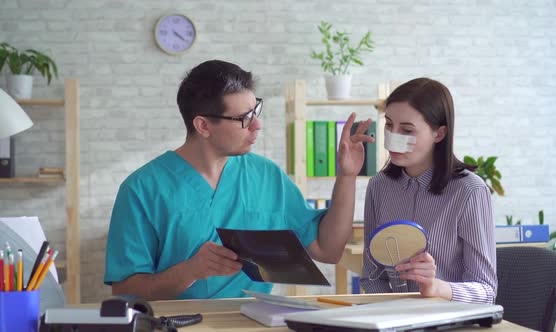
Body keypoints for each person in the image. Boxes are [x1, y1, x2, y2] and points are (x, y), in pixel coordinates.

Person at [104, 60, 374, 300]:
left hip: (252, 321)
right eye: (244, 118)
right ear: (203, 126)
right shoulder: (141, 189)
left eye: (255, 110)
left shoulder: (267, 176)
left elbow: (328, 250)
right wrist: (190, 270)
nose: (257, 125)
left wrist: (347, 176)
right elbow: (126, 290)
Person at [359, 78, 497, 304]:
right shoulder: (379, 187)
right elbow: (373, 276)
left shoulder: (469, 191)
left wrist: (436, 287)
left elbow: (486, 292)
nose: (393, 138)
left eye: (407, 130)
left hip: (450, 322)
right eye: (389, 125)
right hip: (393, 322)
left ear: (439, 134)